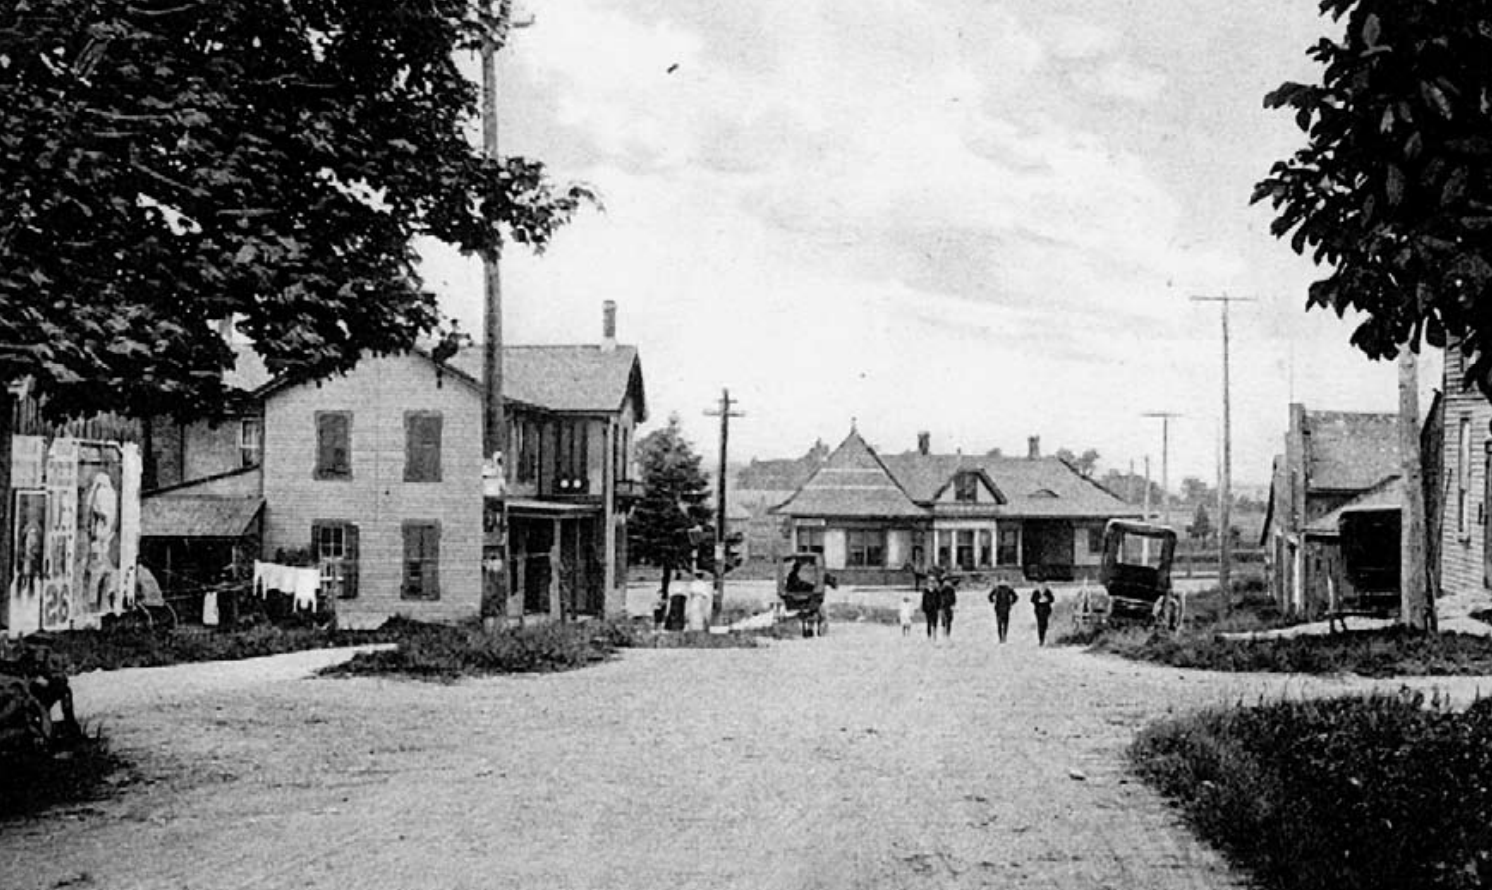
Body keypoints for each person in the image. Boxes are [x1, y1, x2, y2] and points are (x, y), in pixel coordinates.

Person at [1031, 577, 1056, 646]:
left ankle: (1044, 637)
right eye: (1040, 584)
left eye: (1043, 584)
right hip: (1038, 610)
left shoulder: (1047, 591)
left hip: (1046, 610)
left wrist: (1047, 599)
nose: (1042, 585)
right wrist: (1038, 600)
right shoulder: (1036, 592)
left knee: (1045, 624)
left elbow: (1052, 599)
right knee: (1040, 625)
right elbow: (1032, 600)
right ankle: (1041, 639)